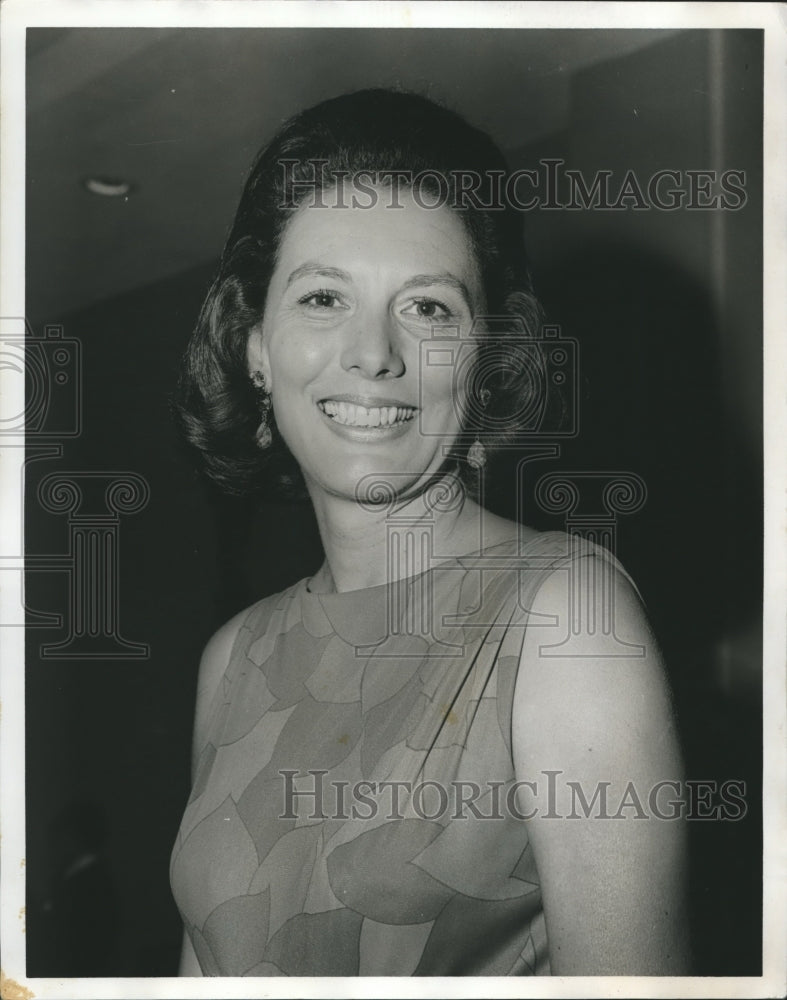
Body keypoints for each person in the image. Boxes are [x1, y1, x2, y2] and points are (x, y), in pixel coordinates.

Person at [170, 88, 689, 977]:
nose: (372, 353)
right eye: (324, 296)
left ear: (487, 358)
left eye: (429, 309)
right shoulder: (234, 657)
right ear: (255, 345)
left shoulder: (562, 618)